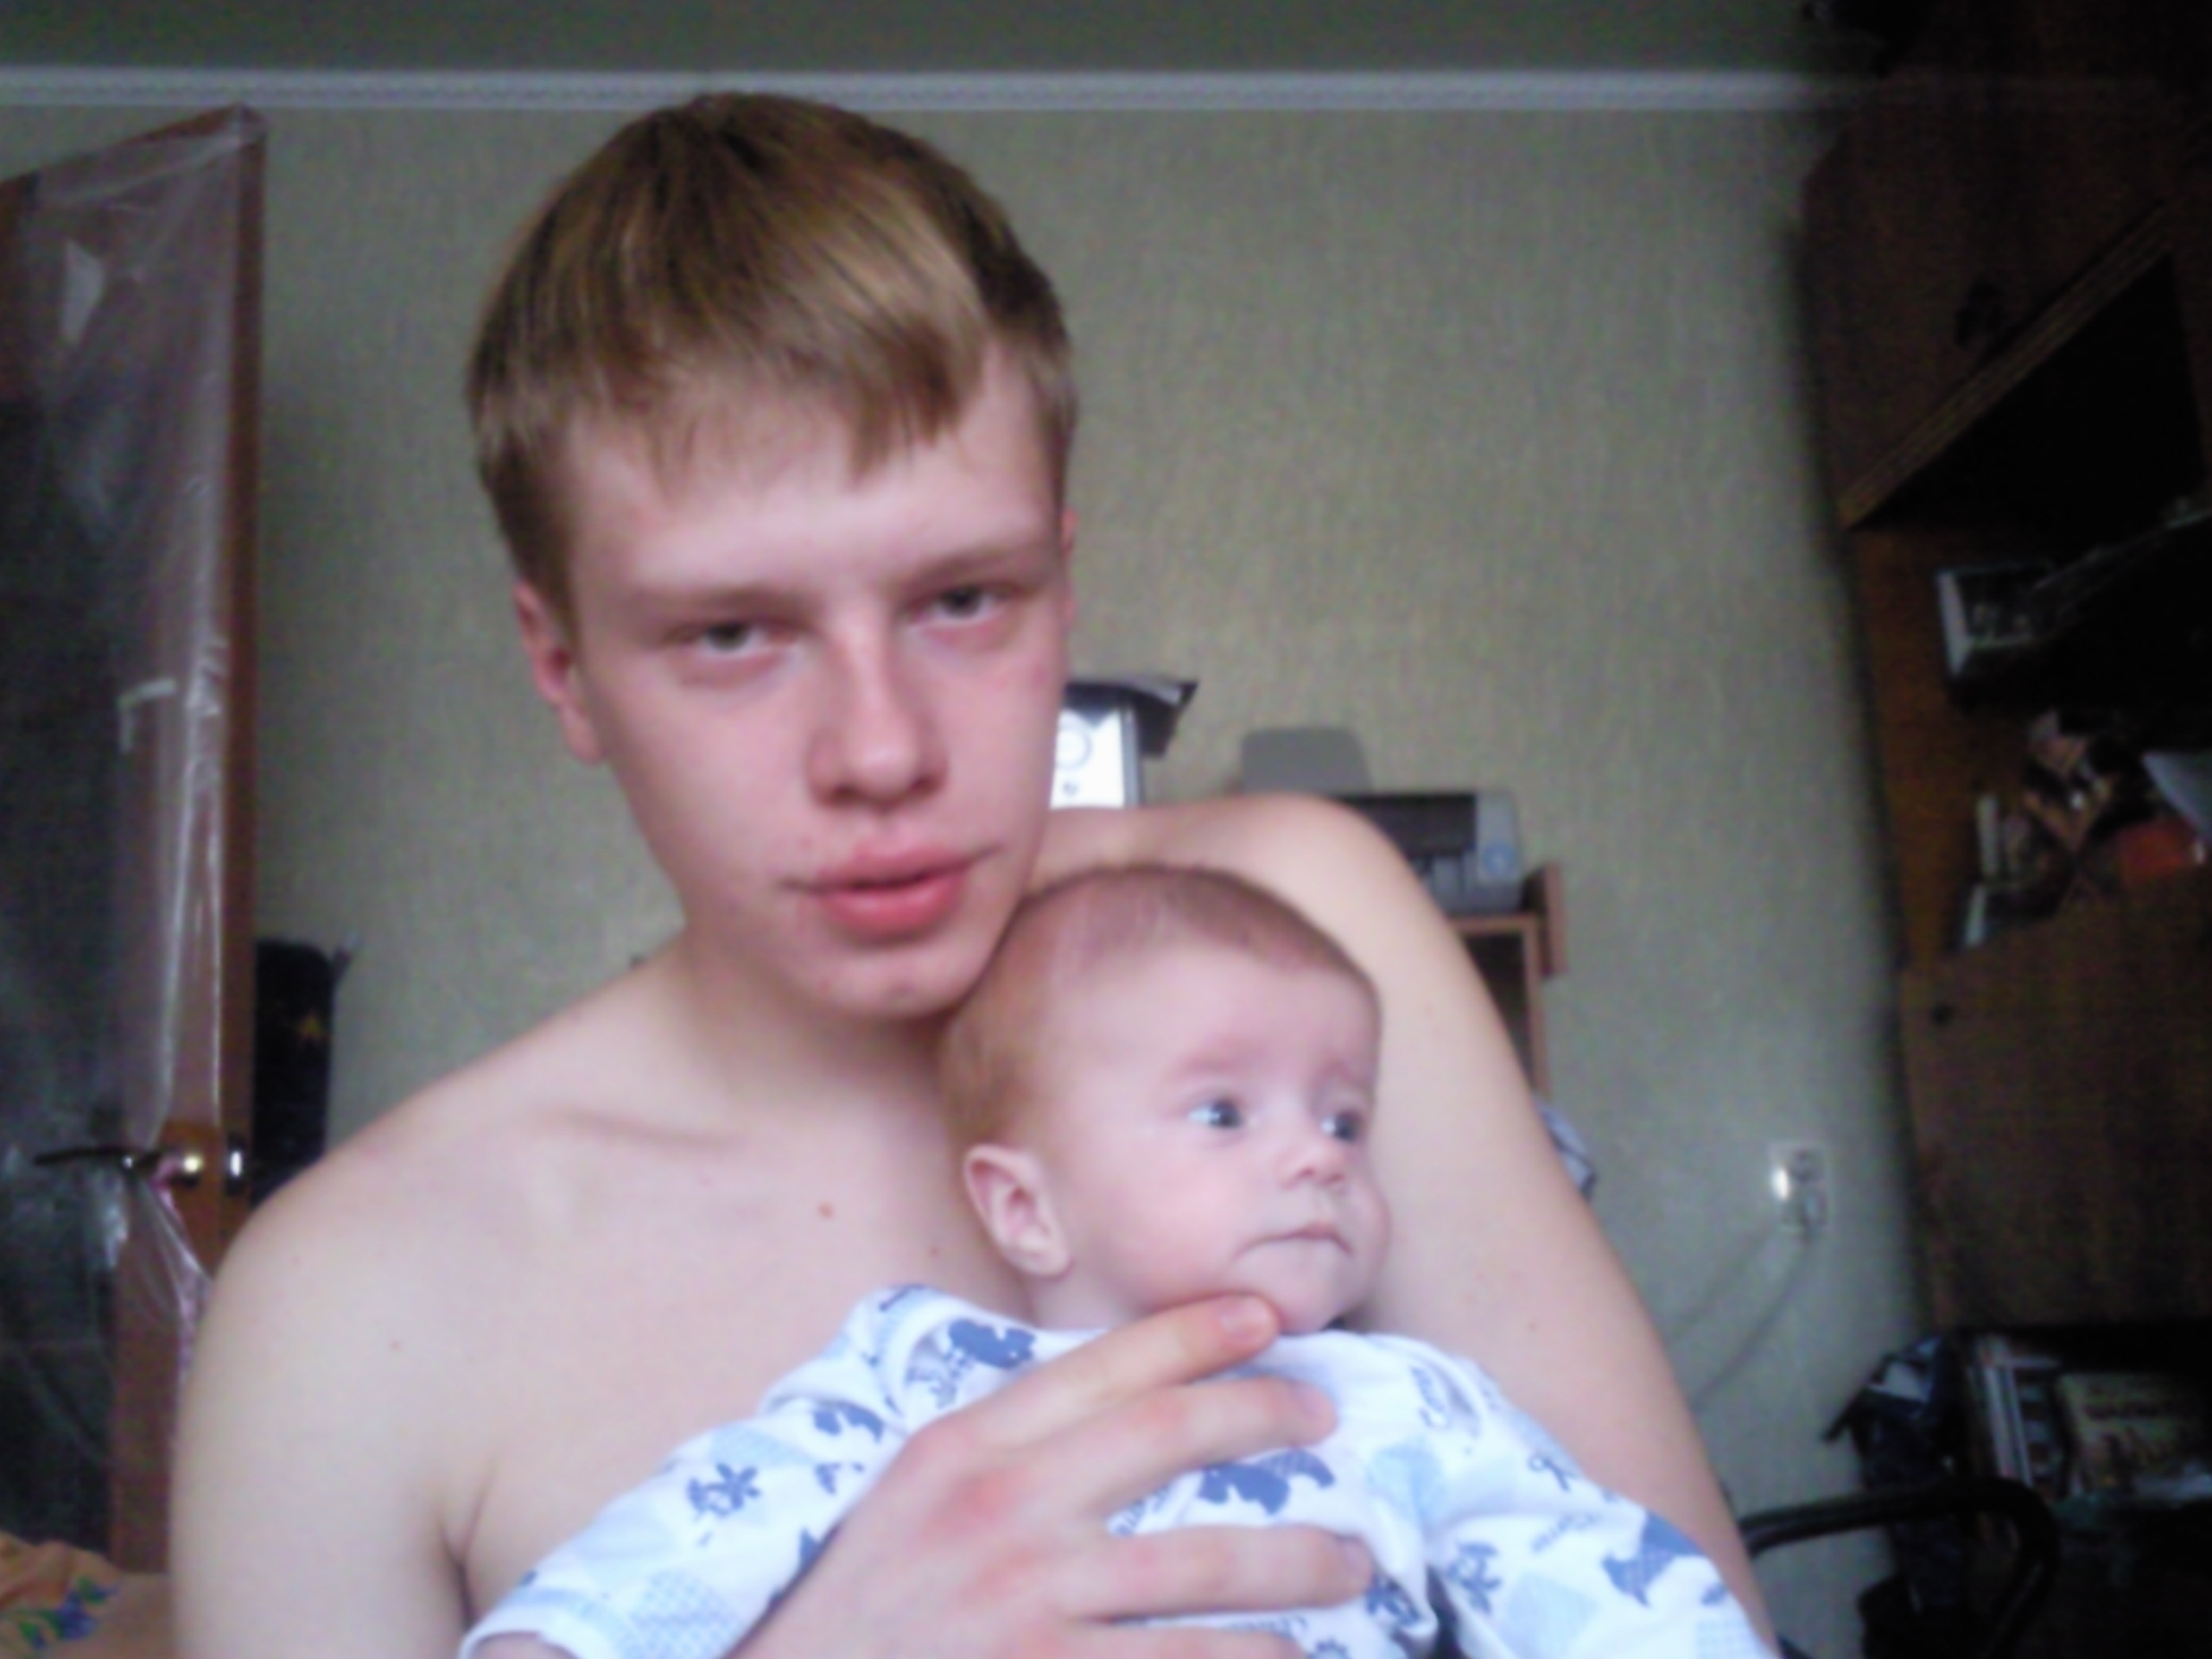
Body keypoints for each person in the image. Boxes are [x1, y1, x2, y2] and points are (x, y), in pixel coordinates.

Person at [170, 93, 1771, 1659]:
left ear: (1064, 586)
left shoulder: (1299, 944)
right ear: (564, 665)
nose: (880, 750)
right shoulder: (345, 1313)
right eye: (730, 632)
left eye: (962, 600)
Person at [462, 866, 1766, 1659]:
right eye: (1224, 1112)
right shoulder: (925, 1372)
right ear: (1026, 1210)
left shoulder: (1411, 1400)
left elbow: (1601, 1575)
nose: (1317, 1159)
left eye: (1345, 1119)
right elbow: (719, 1515)